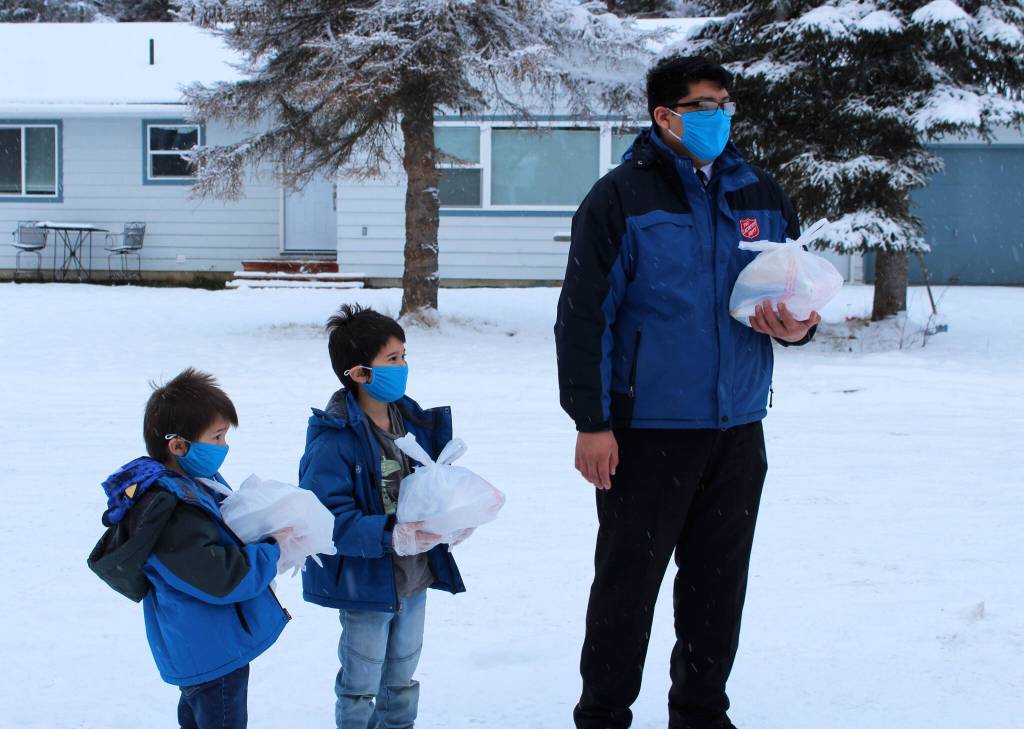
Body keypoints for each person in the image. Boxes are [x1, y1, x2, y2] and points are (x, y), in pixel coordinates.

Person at [554, 55, 820, 729]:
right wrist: (592, 420)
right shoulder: (621, 198)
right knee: (627, 588)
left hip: (736, 429)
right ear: (664, 116)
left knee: (716, 588)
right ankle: (604, 715)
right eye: (704, 105)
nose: (720, 117)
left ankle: (701, 713)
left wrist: (798, 328)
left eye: (726, 103)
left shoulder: (760, 192)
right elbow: (586, 317)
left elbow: (792, 290)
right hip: (645, 434)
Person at [87, 368, 290, 729]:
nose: (224, 447)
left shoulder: (186, 482)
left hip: (198, 645)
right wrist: (273, 550)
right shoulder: (172, 509)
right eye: (216, 437)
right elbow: (221, 576)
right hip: (211, 651)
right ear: (178, 445)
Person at [298, 304, 467, 729]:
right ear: (359, 373)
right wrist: (390, 534)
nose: (403, 366)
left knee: (402, 681)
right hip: (366, 585)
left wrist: (451, 517)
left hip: (415, 578)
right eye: (392, 359)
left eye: (404, 356)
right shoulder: (334, 440)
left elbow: (428, 489)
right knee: (360, 684)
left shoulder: (412, 421)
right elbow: (326, 520)